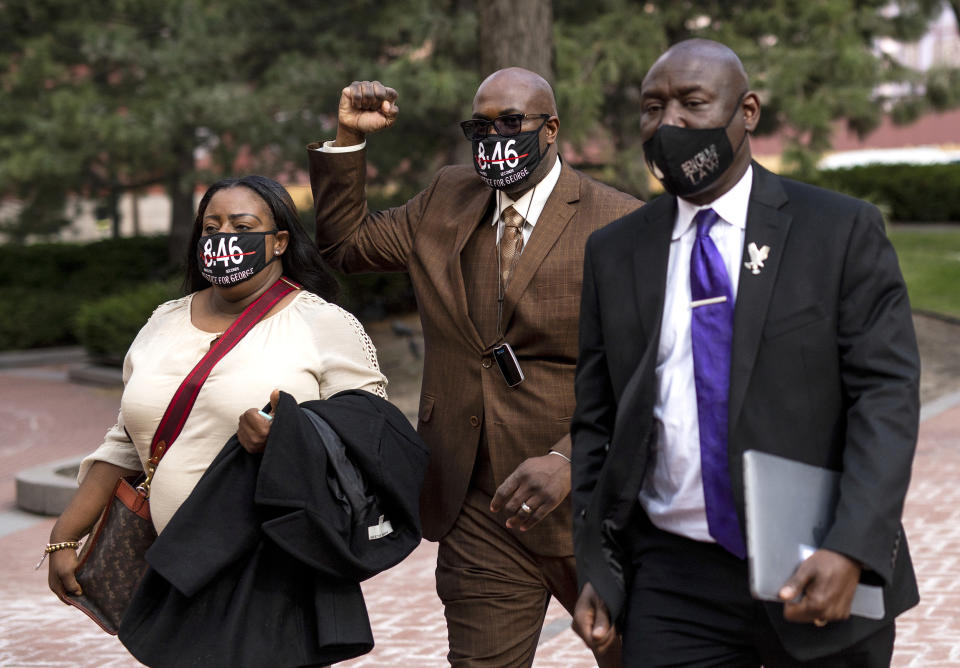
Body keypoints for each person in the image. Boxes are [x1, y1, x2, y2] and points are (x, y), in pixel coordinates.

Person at [570, 38, 921, 667]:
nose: (668, 122)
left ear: (747, 111)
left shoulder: (838, 232)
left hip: (818, 559)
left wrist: (853, 547)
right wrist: (598, 564)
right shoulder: (614, 252)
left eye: (692, 102)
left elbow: (885, 397)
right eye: (652, 107)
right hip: (674, 579)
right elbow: (598, 420)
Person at [308, 68, 641, 666]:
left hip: (593, 507)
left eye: (511, 123)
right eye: (480, 126)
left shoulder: (617, 222)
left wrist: (571, 458)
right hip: (479, 503)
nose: (494, 137)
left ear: (551, 128)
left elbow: (647, 373)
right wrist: (349, 140)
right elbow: (346, 246)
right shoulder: (447, 196)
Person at [46, 175, 396, 661]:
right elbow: (126, 442)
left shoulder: (321, 322)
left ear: (279, 242)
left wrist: (289, 433)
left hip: (273, 572)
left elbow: (371, 434)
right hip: (174, 565)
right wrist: (64, 534)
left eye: (241, 225)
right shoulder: (163, 322)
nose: (223, 238)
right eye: (211, 227)